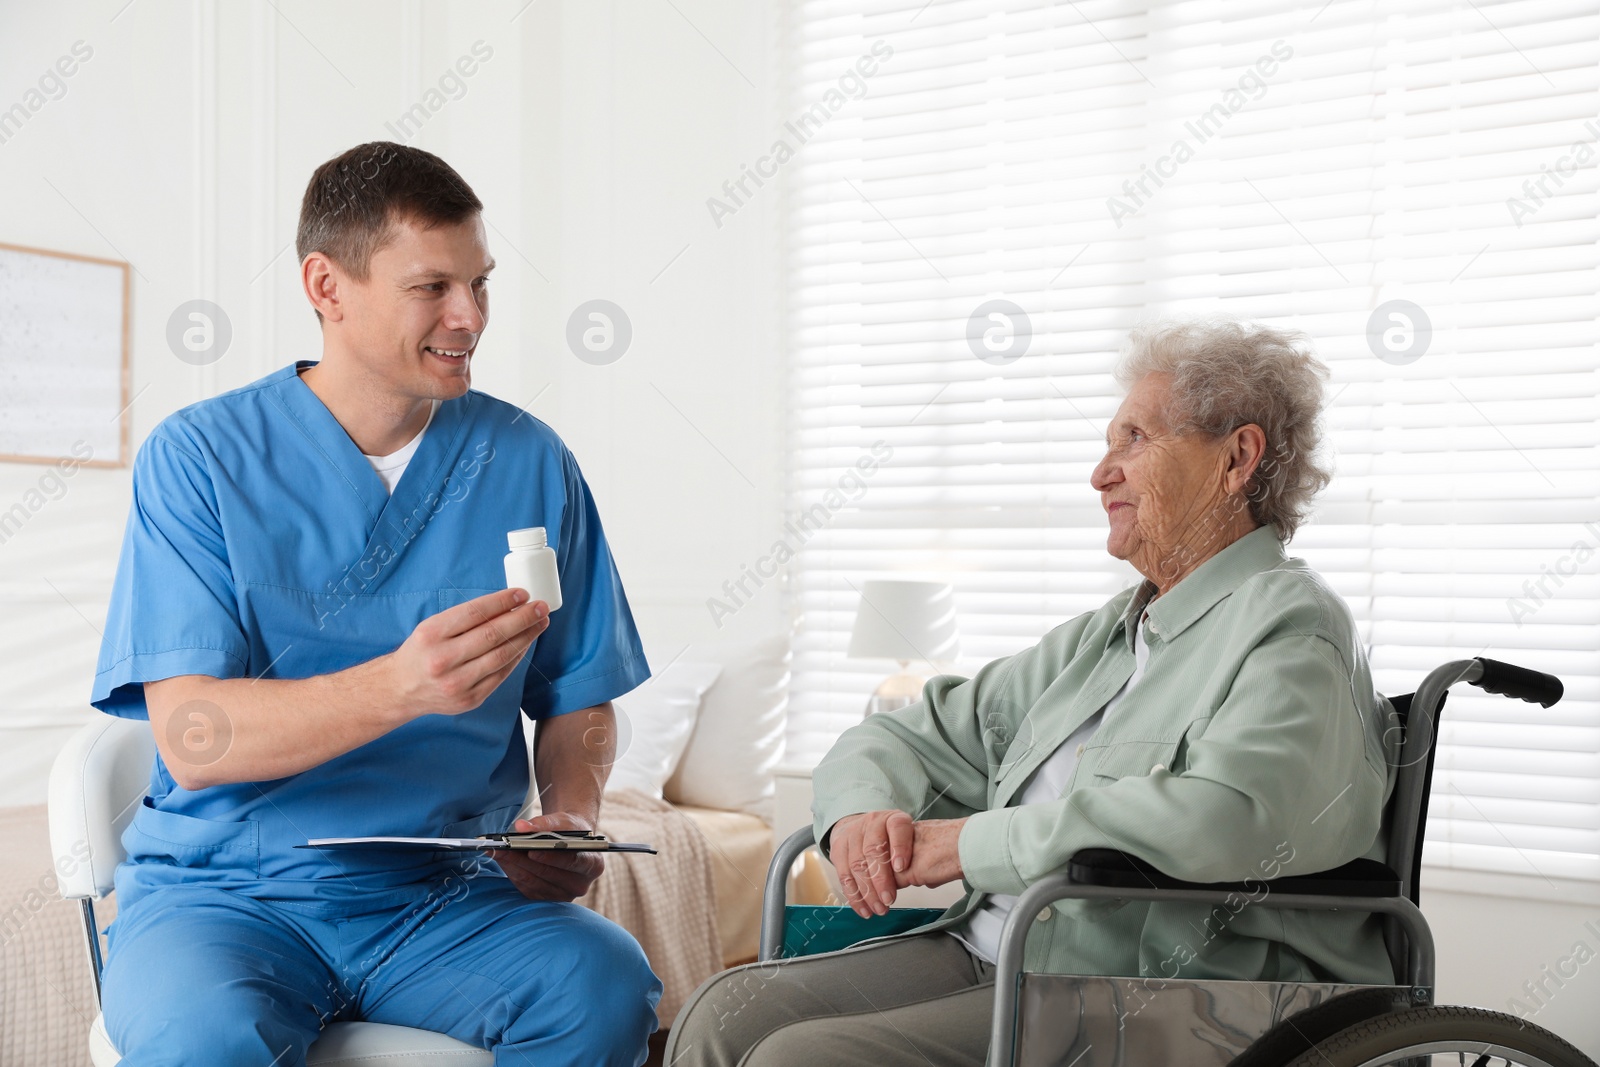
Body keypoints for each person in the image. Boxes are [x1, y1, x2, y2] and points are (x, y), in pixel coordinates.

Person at [666, 319, 1400, 1066]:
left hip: (1163, 991)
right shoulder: (1110, 633)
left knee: (801, 1058)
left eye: (1134, 439)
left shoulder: (1290, 624)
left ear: (1236, 457)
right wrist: (861, 809)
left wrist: (975, 842)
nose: (1101, 472)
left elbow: (1228, 815)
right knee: (724, 1011)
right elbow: (907, 733)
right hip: (1001, 949)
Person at [92, 142, 660, 1067]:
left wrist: (567, 809)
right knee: (203, 1033)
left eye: (481, 283)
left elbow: (578, 695)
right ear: (327, 284)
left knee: (603, 985)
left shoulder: (531, 460)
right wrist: (401, 686)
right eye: (432, 286)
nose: (469, 316)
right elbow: (192, 737)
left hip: (449, 895)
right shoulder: (199, 459)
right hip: (230, 892)